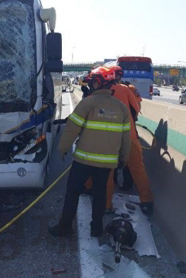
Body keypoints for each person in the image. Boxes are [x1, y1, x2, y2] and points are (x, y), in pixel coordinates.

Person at [49, 67, 131, 237]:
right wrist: (123, 159)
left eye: (93, 81)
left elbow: (72, 129)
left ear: (98, 83)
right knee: (100, 194)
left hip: (83, 161)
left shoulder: (88, 103)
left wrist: (63, 148)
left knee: (73, 192)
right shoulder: (122, 108)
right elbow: (126, 138)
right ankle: (97, 228)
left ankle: (65, 227)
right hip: (107, 163)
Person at [107, 66, 154, 214]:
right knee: (137, 168)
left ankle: (106, 204)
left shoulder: (99, 92)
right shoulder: (128, 89)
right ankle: (146, 201)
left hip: (107, 136)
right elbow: (136, 108)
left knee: (106, 170)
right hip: (129, 134)